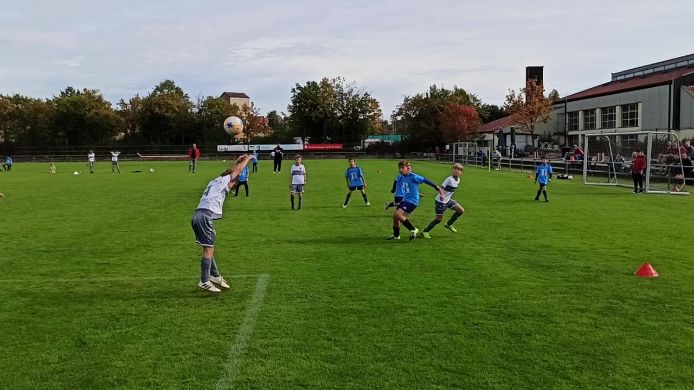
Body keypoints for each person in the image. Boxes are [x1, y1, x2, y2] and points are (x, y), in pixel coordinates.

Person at [191, 154, 253, 292]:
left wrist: (237, 163)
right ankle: (204, 280)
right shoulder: (224, 180)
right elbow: (235, 172)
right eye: (233, 182)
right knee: (209, 248)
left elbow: (233, 172)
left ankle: (215, 275)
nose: (233, 185)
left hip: (198, 216)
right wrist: (248, 159)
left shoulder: (216, 181)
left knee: (209, 246)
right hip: (204, 216)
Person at [387, 160, 445, 241]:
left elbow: (426, 180)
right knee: (395, 217)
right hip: (406, 200)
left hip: (412, 201)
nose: (400, 169)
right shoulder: (402, 177)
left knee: (398, 214)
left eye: (402, 168)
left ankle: (413, 229)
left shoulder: (414, 176)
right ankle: (396, 236)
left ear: (407, 168)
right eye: (399, 168)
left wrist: (438, 189)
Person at [422, 163, 465, 239]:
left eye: (459, 170)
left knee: (461, 211)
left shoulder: (458, 180)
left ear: (461, 172)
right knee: (438, 219)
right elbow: (440, 188)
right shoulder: (449, 179)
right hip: (440, 202)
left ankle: (448, 224)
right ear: (452, 170)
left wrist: (446, 197)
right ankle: (425, 231)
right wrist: (442, 195)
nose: (457, 171)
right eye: (455, 169)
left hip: (448, 200)